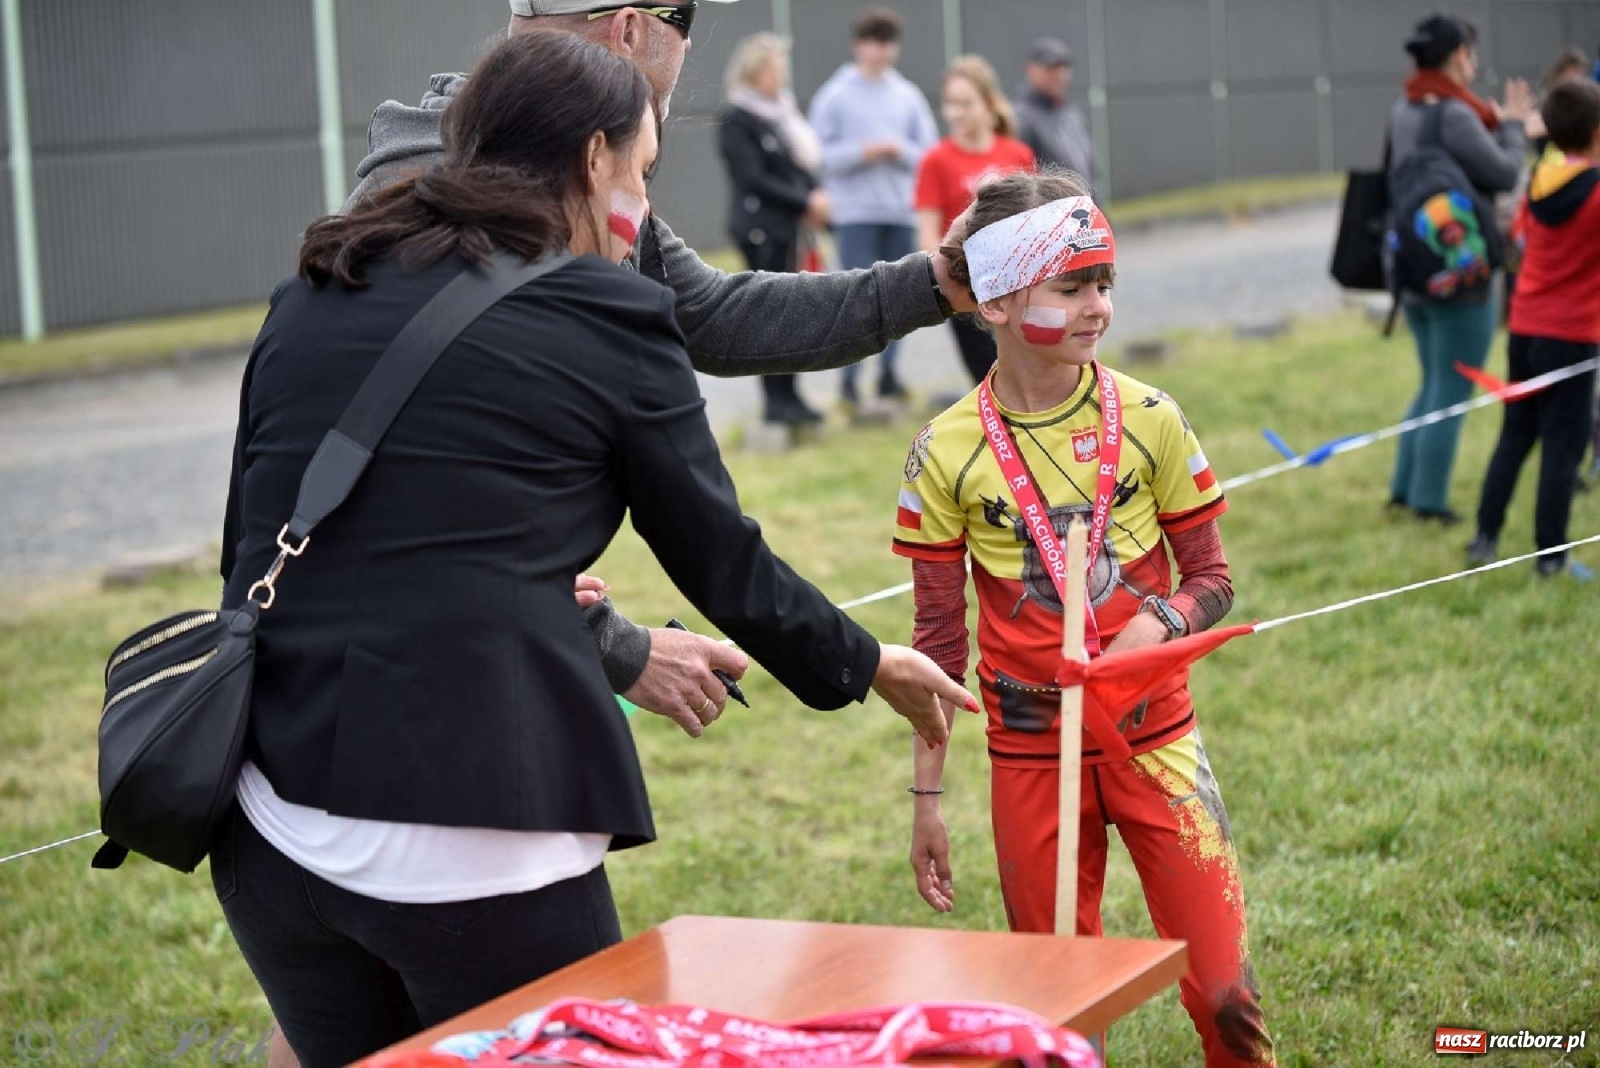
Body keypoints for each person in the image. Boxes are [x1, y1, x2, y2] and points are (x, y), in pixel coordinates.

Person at [218, 31, 978, 1068]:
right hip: (469, 842)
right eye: (644, 171)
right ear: (591, 161)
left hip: (267, 827)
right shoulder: (610, 314)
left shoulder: (317, 281)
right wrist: (867, 662)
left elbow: (254, 550)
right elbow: (724, 566)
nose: (642, 207)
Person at [344, 0, 974, 742]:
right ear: (633, 28)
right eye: (641, 173)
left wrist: (933, 282)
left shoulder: (362, 256)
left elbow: (711, 310)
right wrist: (611, 642)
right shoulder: (499, 228)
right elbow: (430, 501)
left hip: (324, 721)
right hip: (428, 723)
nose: (643, 209)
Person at [892, 170, 1276, 1067]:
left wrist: (1161, 626)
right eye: (1071, 287)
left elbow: (1213, 577)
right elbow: (937, 649)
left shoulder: (1151, 419)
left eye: (1105, 283)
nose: (1098, 305)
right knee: (1061, 1019)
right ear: (993, 299)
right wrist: (926, 801)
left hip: (1156, 739)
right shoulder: (943, 451)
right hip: (1031, 755)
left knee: (1228, 997)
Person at [1385, 13, 1533, 525]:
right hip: (1460, 271)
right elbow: (1505, 170)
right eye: (1471, 53)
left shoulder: (1405, 106)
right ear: (1455, 56)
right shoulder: (1455, 113)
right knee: (1452, 388)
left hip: (1414, 265)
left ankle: (1404, 490)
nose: (1475, 62)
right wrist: (1514, 126)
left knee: (1432, 381)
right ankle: (1428, 502)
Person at [1466, 79, 1600, 580]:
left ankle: (1485, 536)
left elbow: (1521, 237)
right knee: (1563, 448)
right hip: (1572, 335)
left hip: (1524, 326)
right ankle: (1551, 557)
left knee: (1516, 435)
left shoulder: (1539, 180)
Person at [808, 5, 940, 408]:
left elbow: (931, 155)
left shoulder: (907, 95)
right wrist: (861, 153)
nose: (880, 52)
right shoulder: (835, 94)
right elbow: (817, 155)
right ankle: (849, 381)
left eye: (888, 44)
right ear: (858, 45)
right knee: (854, 297)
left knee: (901, 298)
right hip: (854, 216)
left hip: (900, 211)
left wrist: (898, 151)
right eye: (873, 43)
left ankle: (888, 376)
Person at [718, 32, 829, 426]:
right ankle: (776, 402)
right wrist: (804, 201)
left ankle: (792, 396)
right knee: (769, 315)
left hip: (788, 228)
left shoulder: (778, 114)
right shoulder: (737, 118)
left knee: (791, 313)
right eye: (771, 68)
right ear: (754, 71)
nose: (778, 75)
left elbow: (795, 168)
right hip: (761, 230)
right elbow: (753, 178)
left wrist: (815, 195)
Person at [916, 55, 1036, 385]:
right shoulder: (935, 160)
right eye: (949, 104)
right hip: (967, 286)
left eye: (965, 103)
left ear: (989, 103)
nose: (955, 113)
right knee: (987, 377)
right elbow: (928, 231)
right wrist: (943, 281)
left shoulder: (1017, 154)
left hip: (1018, 282)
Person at [1011, 38, 1093, 185]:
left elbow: (1091, 172)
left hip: (1084, 205)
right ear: (1030, 69)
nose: (1059, 75)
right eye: (1050, 68)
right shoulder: (1019, 119)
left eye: (1063, 68)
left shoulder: (1072, 115)